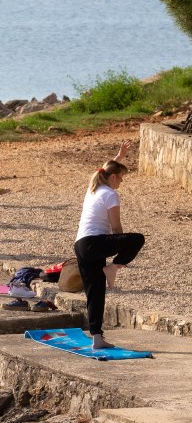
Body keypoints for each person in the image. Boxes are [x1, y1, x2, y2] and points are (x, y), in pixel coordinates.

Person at [74, 141, 144, 349]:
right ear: (112, 178)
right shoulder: (112, 194)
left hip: (80, 245)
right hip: (95, 243)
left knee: (95, 292)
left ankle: (97, 337)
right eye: (121, 177)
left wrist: (120, 156)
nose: (121, 181)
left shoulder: (93, 189)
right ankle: (111, 268)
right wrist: (121, 255)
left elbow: (106, 169)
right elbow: (116, 228)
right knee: (137, 239)